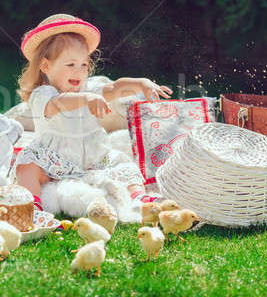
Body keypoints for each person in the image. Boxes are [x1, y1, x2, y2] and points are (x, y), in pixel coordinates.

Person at [13, 13, 172, 211]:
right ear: (45, 66)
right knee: (27, 165)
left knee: (124, 165)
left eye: (84, 65)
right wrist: (86, 99)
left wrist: (141, 83)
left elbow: (115, 88)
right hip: (53, 162)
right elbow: (59, 103)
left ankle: (138, 198)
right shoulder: (42, 95)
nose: (78, 71)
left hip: (92, 163)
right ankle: (31, 206)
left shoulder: (88, 88)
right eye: (70, 64)